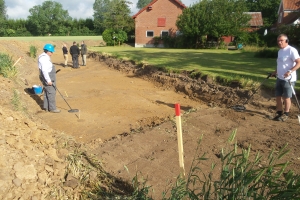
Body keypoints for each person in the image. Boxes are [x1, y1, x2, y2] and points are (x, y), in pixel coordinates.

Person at [271, 34, 300, 121]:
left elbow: (299, 63)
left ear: (286, 41)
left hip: (289, 79)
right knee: (278, 96)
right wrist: (275, 72)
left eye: (281, 41)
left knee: (286, 97)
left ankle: (286, 114)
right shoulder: (280, 51)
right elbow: (280, 64)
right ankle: (279, 112)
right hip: (279, 77)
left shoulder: (291, 50)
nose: (279, 42)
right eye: (278, 41)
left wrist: (290, 71)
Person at [38, 44, 60, 113]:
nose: (52, 53)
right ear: (47, 51)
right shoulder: (44, 58)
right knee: (51, 92)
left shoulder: (44, 57)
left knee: (47, 92)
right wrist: (48, 80)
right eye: (51, 52)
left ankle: (47, 107)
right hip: (48, 77)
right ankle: (52, 108)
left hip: (48, 76)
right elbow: (44, 70)